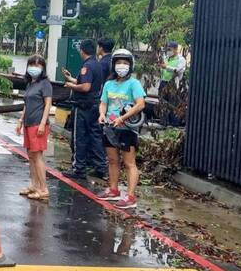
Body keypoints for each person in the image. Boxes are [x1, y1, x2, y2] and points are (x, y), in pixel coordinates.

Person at [96, 49, 146, 209]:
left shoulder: (134, 84)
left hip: (127, 130)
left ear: (130, 66)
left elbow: (140, 104)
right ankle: (113, 190)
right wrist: (102, 114)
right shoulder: (109, 84)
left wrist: (122, 118)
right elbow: (104, 102)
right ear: (113, 65)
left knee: (129, 163)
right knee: (112, 160)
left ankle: (130, 196)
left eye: (125, 63)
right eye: (119, 63)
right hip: (110, 128)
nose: (122, 66)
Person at [62, 39, 107, 180]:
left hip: (83, 107)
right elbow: (88, 83)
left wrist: (70, 86)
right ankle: (101, 168)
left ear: (82, 51)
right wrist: (71, 79)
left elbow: (85, 87)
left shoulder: (86, 66)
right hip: (95, 106)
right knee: (95, 137)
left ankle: (79, 169)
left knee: (79, 137)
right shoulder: (98, 65)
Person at [15, 55, 52, 201]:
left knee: (37, 156)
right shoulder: (30, 84)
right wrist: (20, 120)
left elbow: (48, 104)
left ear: (42, 68)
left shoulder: (45, 84)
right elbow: (27, 104)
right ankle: (35, 185)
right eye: (31, 65)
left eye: (37, 65)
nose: (34, 68)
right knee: (30, 156)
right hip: (29, 123)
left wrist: (43, 123)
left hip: (38, 124)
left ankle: (43, 188)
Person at [159, 41, 186, 126]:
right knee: (163, 102)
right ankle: (164, 122)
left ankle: (174, 124)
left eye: (170, 49)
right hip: (163, 82)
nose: (168, 51)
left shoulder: (181, 59)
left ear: (175, 49)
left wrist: (166, 67)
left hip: (174, 84)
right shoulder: (166, 58)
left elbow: (178, 70)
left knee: (173, 104)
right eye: (167, 49)